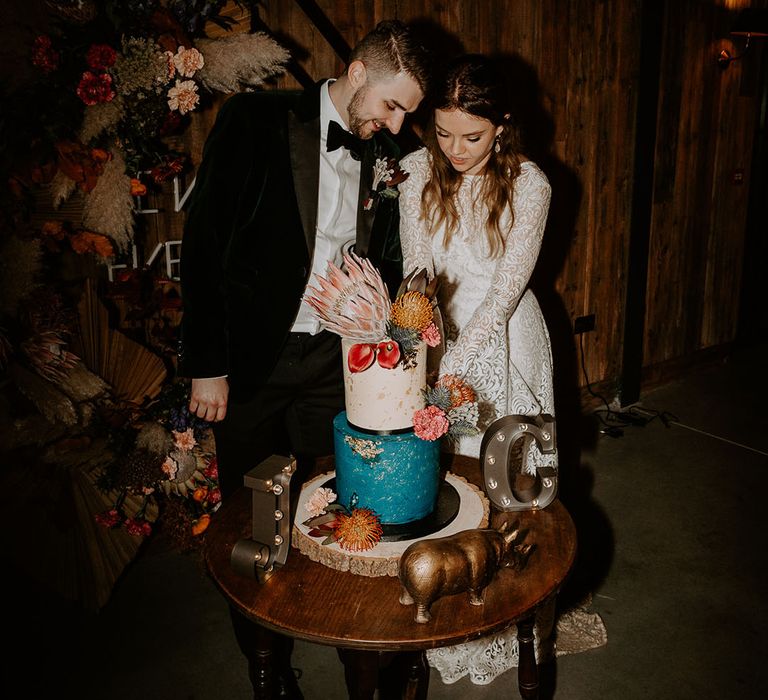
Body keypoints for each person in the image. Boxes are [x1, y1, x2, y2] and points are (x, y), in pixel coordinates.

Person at [178, 20, 430, 699]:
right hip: (252, 363)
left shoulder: (391, 149)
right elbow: (203, 243)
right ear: (355, 72)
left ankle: (356, 652)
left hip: (332, 362)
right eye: (392, 103)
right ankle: (267, 667)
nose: (399, 121)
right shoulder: (255, 121)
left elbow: (392, 256)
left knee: (347, 507)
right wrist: (207, 363)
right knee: (254, 521)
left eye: (408, 109)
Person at [398, 54, 558, 685]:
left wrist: (456, 369)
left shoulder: (530, 184)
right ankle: (450, 610)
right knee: (445, 481)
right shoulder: (414, 171)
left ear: (504, 124)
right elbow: (416, 268)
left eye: (473, 136)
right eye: (442, 133)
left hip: (508, 337)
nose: (455, 149)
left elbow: (507, 289)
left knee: (510, 487)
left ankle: (517, 614)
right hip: (437, 333)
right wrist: (420, 351)